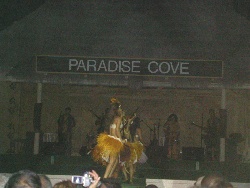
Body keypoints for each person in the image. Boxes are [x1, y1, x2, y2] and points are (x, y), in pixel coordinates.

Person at [91, 98, 124, 179]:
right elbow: (117, 130)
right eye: (120, 108)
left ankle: (109, 177)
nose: (121, 110)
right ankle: (105, 178)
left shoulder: (111, 118)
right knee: (112, 161)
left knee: (115, 161)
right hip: (115, 140)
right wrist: (121, 140)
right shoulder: (118, 118)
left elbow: (110, 130)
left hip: (111, 138)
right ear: (118, 109)